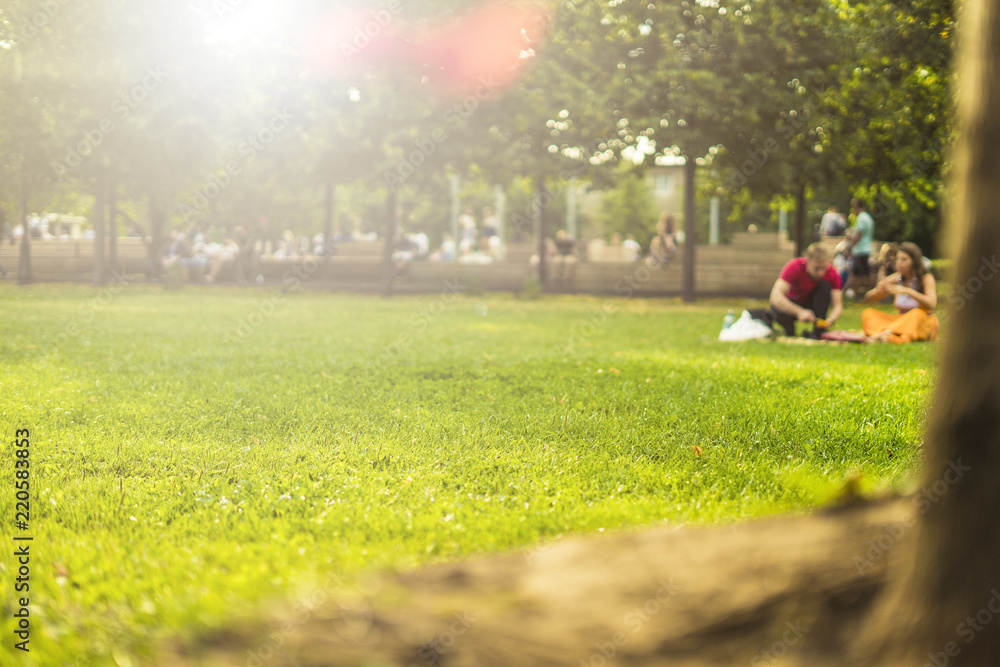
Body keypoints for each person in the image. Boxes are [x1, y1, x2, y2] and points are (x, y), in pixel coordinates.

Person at [753, 243, 843, 337]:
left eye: (823, 268)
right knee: (777, 309)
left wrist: (831, 320)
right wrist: (799, 311)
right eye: (816, 268)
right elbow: (775, 296)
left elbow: (837, 305)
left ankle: (818, 331)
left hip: (811, 304)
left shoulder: (832, 274)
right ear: (808, 261)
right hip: (791, 304)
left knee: (825, 285)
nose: (820, 273)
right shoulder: (795, 266)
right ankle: (788, 329)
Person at [861, 241, 939, 343]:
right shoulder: (897, 277)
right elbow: (868, 298)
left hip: (921, 322)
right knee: (868, 313)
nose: (899, 262)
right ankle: (890, 333)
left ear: (914, 261)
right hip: (901, 321)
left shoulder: (925, 277)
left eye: (904, 260)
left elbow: (932, 304)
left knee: (916, 314)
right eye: (897, 259)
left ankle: (885, 333)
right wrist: (878, 291)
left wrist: (908, 291)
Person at [843, 198, 875, 296]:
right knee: (855, 274)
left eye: (853, 207)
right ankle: (853, 295)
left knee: (866, 275)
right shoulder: (867, 217)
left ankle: (875, 294)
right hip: (863, 250)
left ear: (857, 207)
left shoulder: (861, 217)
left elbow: (859, 235)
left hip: (861, 250)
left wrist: (849, 247)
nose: (852, 210)